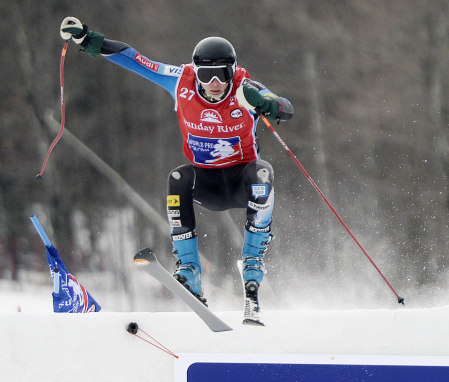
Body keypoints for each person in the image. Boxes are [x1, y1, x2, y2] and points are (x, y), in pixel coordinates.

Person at [59, 17, 294, 326]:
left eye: (222, 74)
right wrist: (88, 39)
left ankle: (252, 261)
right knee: (177, 177)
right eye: (206, 75)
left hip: (241, 180)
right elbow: (135, 59)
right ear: (195, 72)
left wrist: (266, 103)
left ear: (232, 70)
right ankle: (189, 270)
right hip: (206, 182)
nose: (214, 83)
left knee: (263, 173)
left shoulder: (244, 89)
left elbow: (286, 108)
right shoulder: (180, 81)